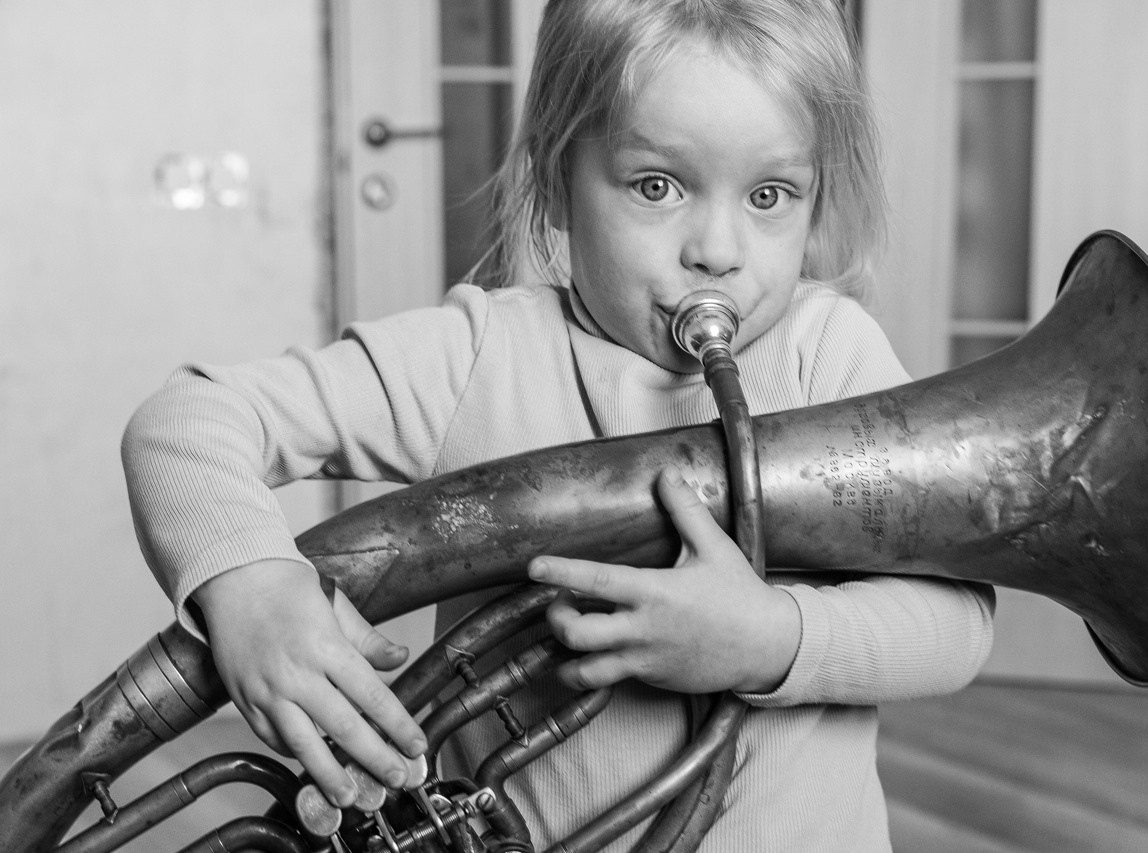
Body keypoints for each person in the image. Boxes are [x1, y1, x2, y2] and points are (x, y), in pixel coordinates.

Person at [122, 1, 995, 849]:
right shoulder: (480, 357)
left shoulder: (833, 357)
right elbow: (187, 420)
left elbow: (957, 621)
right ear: (554, 184)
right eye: (657, 186)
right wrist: (251, 583)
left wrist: (772, 639)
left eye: (771, 194)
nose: (719, 250)